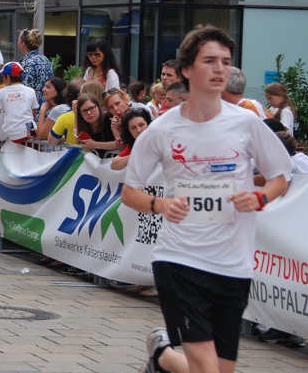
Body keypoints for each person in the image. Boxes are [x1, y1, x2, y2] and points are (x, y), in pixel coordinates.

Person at [121, 26, 293, 373]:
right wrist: (160, 205)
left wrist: (259, 197)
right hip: (179, 260)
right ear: (187, 69)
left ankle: (162, 357)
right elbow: (130, 192)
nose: (220, 69)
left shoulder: (246, 123)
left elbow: (281, 176)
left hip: (233, 264)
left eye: (226, 62)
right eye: (210, 61)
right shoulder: (162, 129)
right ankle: (164, 355)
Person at [0, 62, 38, 143]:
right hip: (29, 132)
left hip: (12, 134)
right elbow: (33, 113)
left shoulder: (2, 93)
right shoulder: (31, 91)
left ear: (7, 77)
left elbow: (4, 112)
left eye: (3, 76)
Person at [17, 28, 53, 107]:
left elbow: (24, 90)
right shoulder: (46, 60)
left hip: (31, 109)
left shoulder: (27, 63)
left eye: (19, 40)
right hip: (46, 108)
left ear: (23, 44)